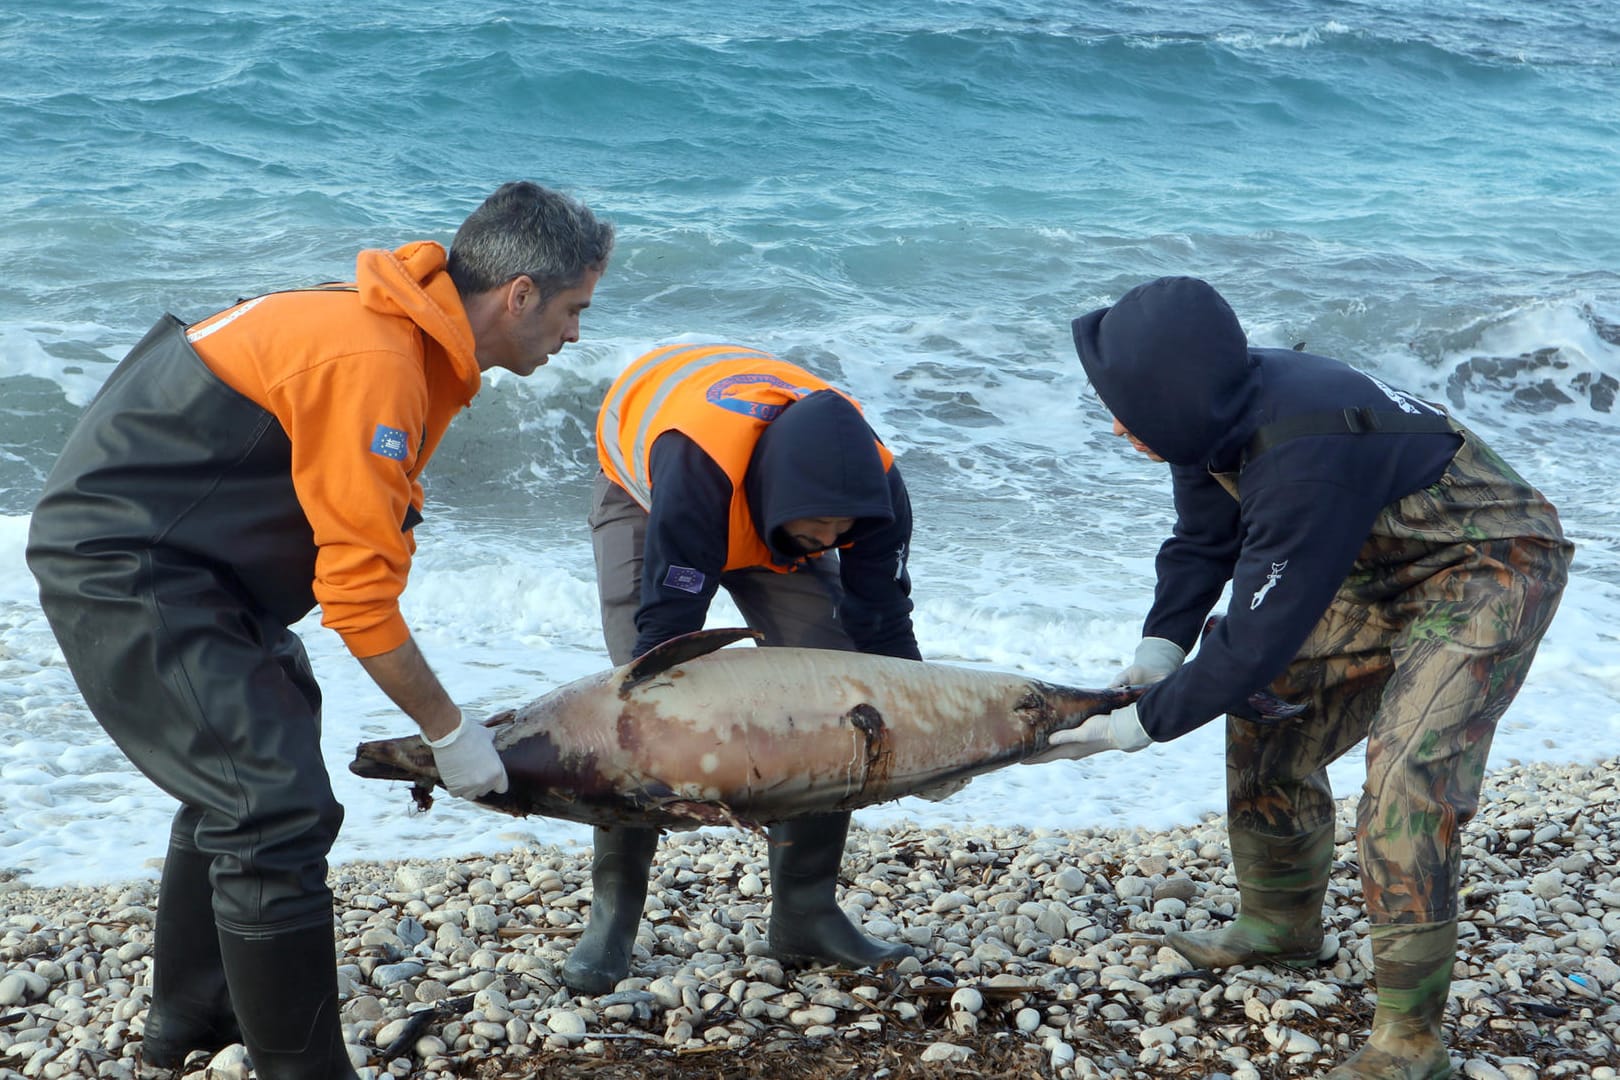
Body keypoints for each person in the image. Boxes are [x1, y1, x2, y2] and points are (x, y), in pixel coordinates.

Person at [25, 181, 613, 1078]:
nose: (576, 334)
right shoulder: (375, 359)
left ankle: (190, 1022)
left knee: (256, 756)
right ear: (519, 293)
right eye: (573, 309)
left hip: (205, 562)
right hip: (130, 559)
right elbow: (359, 602)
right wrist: (451, 736)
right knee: (273, 804)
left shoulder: (407, 341)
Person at [1038, 277, 1572, 1080]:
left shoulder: (1300, 458)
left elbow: (1254, 636)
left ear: (1175, 400)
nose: (1118, 425)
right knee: (1270, 709)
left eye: (1131, 409)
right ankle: (1280, 925)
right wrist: (1157, 653)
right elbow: (1201, 541)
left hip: (1488, 566)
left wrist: (1130, 729)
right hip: (1364, 563)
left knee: (1406, 781)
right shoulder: (1211, 413)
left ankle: (1410, 1037)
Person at [565, 342, 919, 995]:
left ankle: (805, 913)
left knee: (835, 692)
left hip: (771, 498)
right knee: (646, 706)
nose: (830, 543)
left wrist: (917, 736)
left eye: (842, 533)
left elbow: (886, 626)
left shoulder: (873, 490)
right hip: (653, 496)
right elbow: (666, 638)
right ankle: (613, 916)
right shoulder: (698, 472)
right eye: (820, 531)